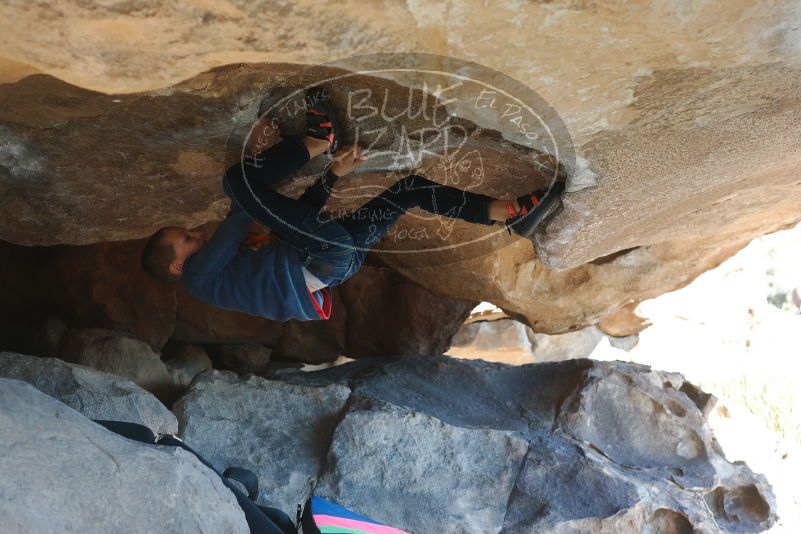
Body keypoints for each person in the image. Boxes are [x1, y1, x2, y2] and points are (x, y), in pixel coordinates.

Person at [141, 86, 564, 321]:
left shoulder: (238, 272)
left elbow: (301, 224)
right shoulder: (199, 276)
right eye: (185, 239)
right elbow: (243, 214)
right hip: (326, 255)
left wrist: (333, 176)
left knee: (410, 189)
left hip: (336, 261)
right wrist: (243, 193)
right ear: (178, 266)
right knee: (236, 186)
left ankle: (508, 213)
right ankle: (317, 141)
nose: (196, 234)